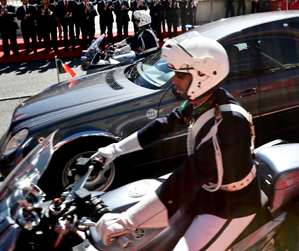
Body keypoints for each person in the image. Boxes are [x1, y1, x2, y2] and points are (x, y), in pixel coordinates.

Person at [93, 36, 260, 250]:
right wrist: (114, 150)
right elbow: (163, 125)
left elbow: (190, 175)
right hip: (206, 191)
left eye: (181, 74)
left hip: (232, 203)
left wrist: (126, 221)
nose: (174, 80)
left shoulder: (229, 122)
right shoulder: (201, 102)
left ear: (204, 74)